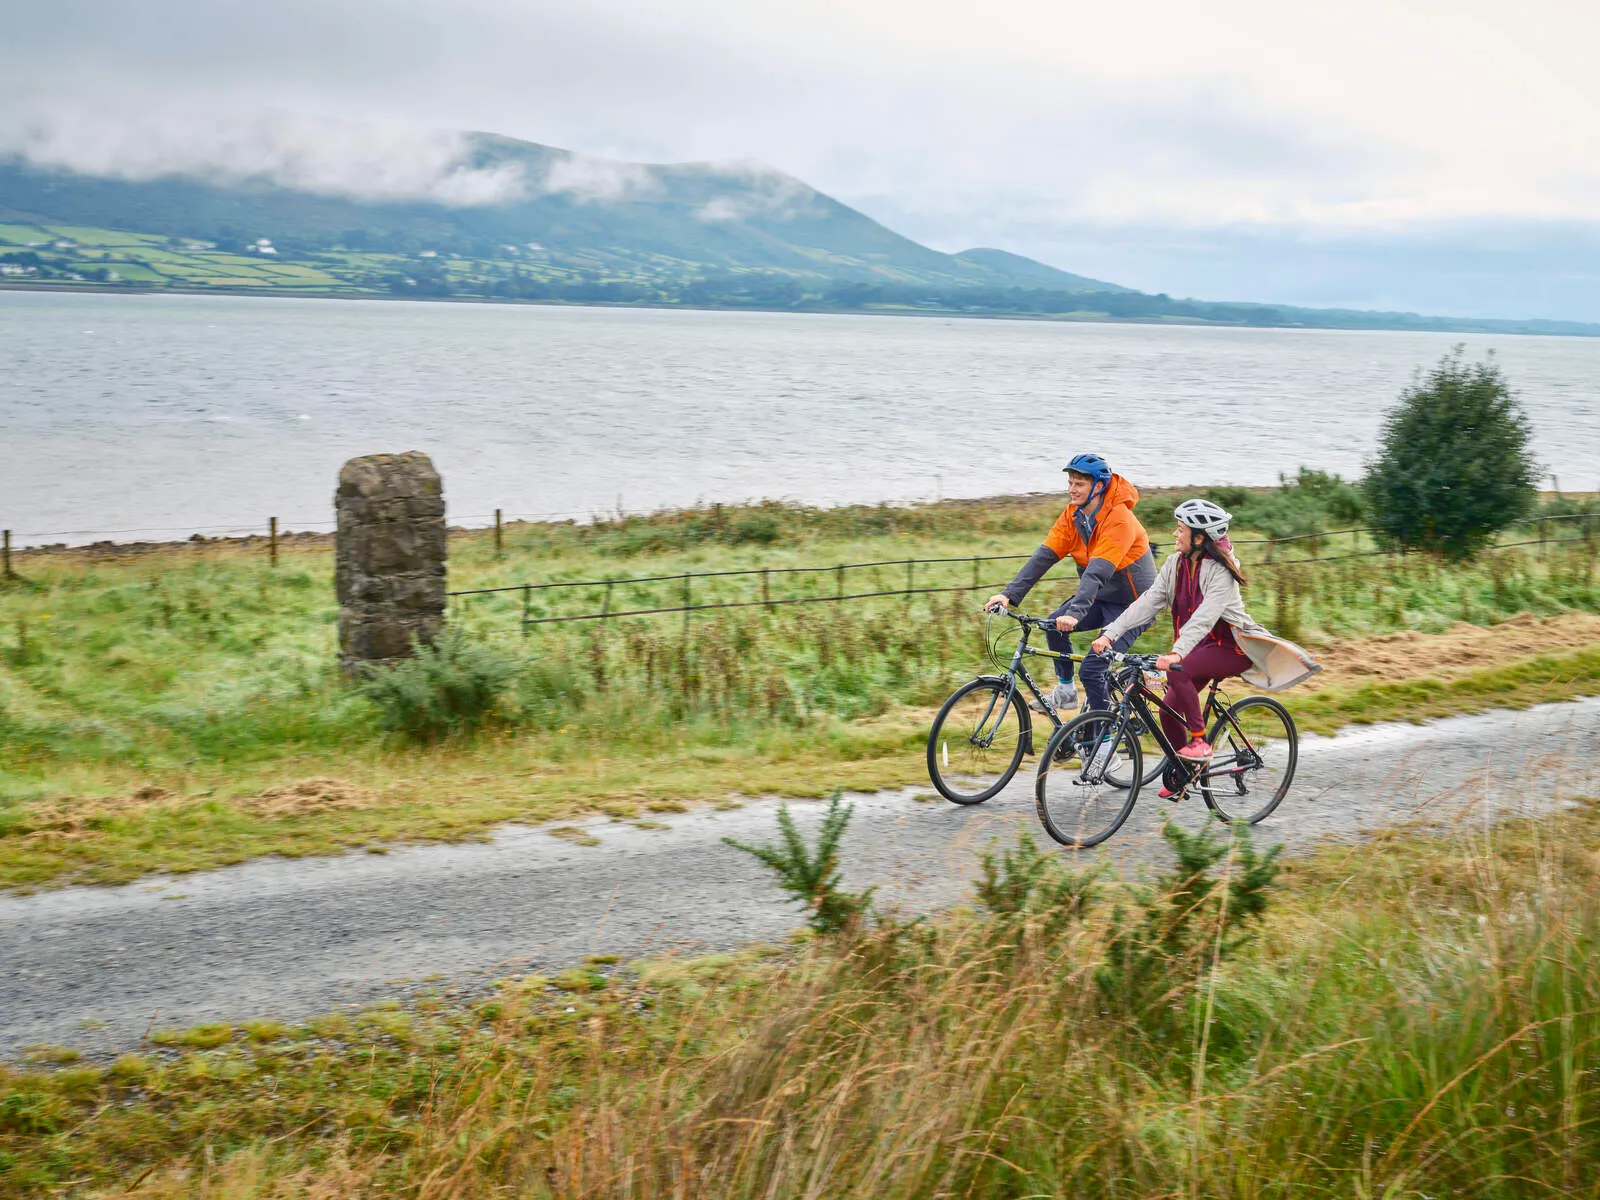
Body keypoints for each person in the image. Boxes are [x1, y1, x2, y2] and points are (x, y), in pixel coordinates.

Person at [1093, 498, 1321, 793]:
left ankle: (1199, 742)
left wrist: (1176, 653)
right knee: (1167, 712)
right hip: (1198, 649)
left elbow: (1203, 618)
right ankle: (1186, 772)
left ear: (1199, 538)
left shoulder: (1221, 572)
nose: (1175, 534)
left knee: (1179, 669)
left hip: (1232, 647)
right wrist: (1110, 633)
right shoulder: (1175, 564)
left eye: (1180, 529)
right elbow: (1149, 602)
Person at [986, 453, 1156, 714]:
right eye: (1070, 482)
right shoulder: (1074, 515)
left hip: (1135, 605)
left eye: (1079, 484)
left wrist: (1075, 614)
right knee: (1054, 627)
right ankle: (1066, 692)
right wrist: (1008, 595)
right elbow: (1044, 556)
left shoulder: (1119, 518)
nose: (1071, 490)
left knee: (1092, 669)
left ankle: (1103, 743)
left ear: (1098, 486)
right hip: (1103, 598)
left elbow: (1096, 572)